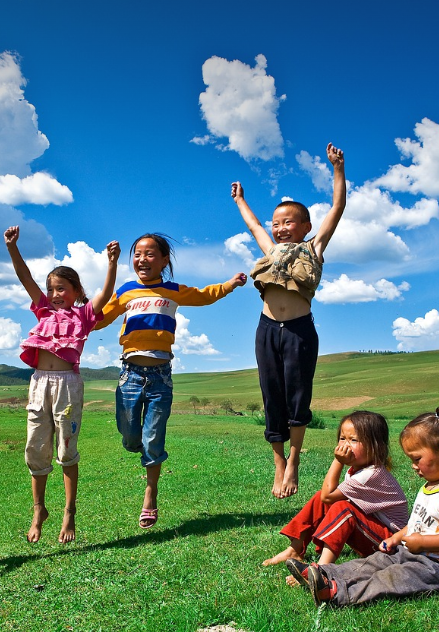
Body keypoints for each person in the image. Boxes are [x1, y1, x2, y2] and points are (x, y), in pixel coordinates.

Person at [96, 233, 247, 529]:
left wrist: (229, 285)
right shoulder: (126, 291)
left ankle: (150, 494)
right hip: (130, 373)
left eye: (150, 254)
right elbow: (100, 318)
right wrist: (77, 312)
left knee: (153, 438)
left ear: (165, 260)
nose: (142, 259)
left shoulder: (172, 290)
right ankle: (142, 448)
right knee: (129, 434)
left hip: (161, 376)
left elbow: (204, 295)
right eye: (137, 254)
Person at [231, 143, 346, 499]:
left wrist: (337, 169)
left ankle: (294, 460)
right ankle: (278, 461)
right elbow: (252, 226)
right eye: (276, 223)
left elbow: (338, 207)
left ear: (305, 226)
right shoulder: (270, 249)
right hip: (266, 330)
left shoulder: (314, 248)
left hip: (299, 330)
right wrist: (239, 200)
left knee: (298, 397)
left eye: (288, 222)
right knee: (271, 397)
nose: (280, 228)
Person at [5, 225, 120, 543]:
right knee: (35, 448)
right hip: (39, 383)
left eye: (62, 289)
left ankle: (69, 513)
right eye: (52, 289)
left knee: (66, 449)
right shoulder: (42, 310)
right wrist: (13, 248)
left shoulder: (83, 315)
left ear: (76, 291)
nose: (56, 295)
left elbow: (105, 294)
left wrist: (112, 262)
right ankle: (38, 509)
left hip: (67, 385)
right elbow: (25, 278)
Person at [297, 408, 439, 607]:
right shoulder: (430, 486)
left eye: (417, 459)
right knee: (375, 562)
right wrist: (396, 538)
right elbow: (416, 524)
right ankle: (324, 574)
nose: (413, 465)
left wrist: (423, 543)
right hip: (413, 552)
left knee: (391, 577)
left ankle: (338, 593)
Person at [263, 411, 408, 586]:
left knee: (342, 509)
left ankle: (321, 571)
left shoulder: (371, 474)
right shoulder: (360, 469)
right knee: (324, 501)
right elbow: (324, 498)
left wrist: (338, 461)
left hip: (391, 545)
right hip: (376, 534)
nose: (345, 445)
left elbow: (328, 493)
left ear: (376, 446)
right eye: (342, 438)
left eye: (353, 440)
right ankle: (295, 549)